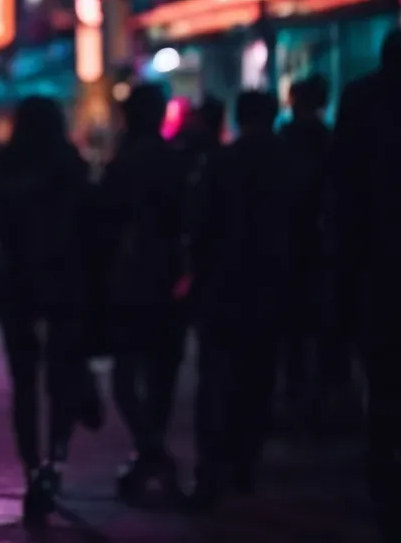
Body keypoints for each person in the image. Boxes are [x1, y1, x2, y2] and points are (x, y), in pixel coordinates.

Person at [0, 96, 92, 524]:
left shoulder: (5, 165)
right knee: (62, 376)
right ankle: (56, 460)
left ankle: (31, 468)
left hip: (17, 282)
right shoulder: (70, 165)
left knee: (24, 383)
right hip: (65, 280)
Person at [188, 89, 291, 509]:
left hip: (222, 283)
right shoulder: (286, 162)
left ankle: (212, 468)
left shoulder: (221, 162)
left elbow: (199, 224)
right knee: (258, 375)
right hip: (269, 284)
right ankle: (246, 460)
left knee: (216, 377)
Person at [98, 81, 191, 501]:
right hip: (168, 276)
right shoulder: (174, 160)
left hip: (128, 278)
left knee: (126, 374)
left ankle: (150, 451)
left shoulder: (123, 163)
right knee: (161, 373)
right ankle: (152, 451)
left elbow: (104, 222)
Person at [333, 31, 400, 540]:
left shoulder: (360, 101)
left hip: (375, 268)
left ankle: (385, 495)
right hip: (375, 263)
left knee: (382, 387)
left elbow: (343, 191)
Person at [277, 75, 334, 427]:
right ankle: (319, 400)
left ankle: (296, 396)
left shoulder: (283, 142)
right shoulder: (329, 141)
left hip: (287, 247)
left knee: (292, 334)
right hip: (322, 247)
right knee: (322, 330)